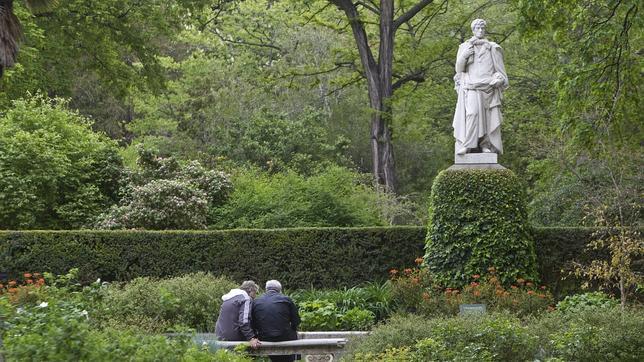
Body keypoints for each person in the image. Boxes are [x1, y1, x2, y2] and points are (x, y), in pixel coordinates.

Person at [453, 18, 508, 155]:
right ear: (473, 30)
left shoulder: (493, 48)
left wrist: (499, 80)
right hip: (471, 86)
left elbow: (501, 73)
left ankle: (485, 145)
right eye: (478, 28)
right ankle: (468, 145)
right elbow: (459, 70)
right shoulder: (465, 46)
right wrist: (464, 56)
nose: (480, 30)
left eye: (483, 28)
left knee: (488, 119)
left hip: (488, 87)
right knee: (472, 113)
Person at [252, 280, 300, 362]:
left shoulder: (256, 301)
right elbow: (296, 320)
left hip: (264, 337)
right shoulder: (286, 299)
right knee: (292, 332)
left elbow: (253, 321)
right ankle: (293, 359)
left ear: (266, 289)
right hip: (284, 336)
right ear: (279, 290)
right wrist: (292, 328)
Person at [215, 280, 261, 349]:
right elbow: (243, 321)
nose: (255, 296)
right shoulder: (246, 299)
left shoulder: (229, 298)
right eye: (255, 293)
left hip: (220, 335)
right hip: (234, 338)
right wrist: (251, 338)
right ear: (251, 290)